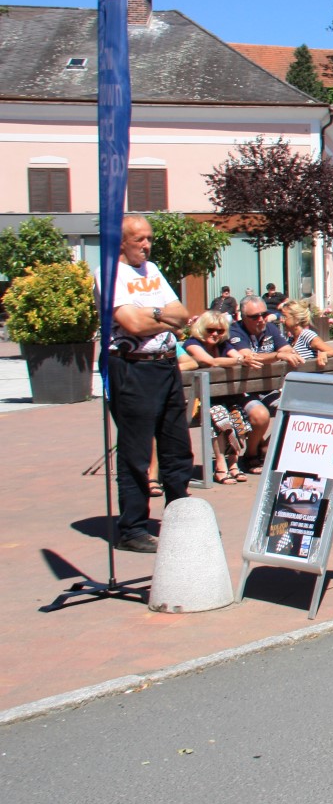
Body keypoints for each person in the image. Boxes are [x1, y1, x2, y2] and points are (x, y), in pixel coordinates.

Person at [106, 215, 196, 553]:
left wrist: (153, 314)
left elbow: (182, 314)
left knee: (177, 447)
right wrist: (161, 316)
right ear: (122, 242)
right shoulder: (112, 274)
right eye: (139, 239)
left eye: (149, 239)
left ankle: (179, 516)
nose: (145, 245)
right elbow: (130, 323)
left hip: (165, 366)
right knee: (136, 453)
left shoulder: (152, 270)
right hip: (132, 369)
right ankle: (133, 527)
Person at [227, 294, 304, 469]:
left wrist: (285, 353)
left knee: (297, 410)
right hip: (243, 390)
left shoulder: (270, 328)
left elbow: (287, 349)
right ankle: (251, 453)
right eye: (254, 317)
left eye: (263, 314)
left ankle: (266, 447)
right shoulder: (235, 331)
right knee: (260, 416)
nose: (261, 320)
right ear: (243, 317)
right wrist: (277, 355)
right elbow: (249, 356)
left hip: (268, 389)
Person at [179, 311, 249, 484]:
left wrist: (242, 358)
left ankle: (233, 464)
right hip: (199, 402)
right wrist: (240, 361)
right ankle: (220, 466)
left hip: (226, 396)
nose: (215, 334)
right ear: (202, 328)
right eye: (211, 330)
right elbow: (211, 361)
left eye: (219, 330)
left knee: (238, 416)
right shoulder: (192, 344)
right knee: (219, 416)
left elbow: (238, 356)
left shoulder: (224, 345)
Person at [277, 300, 333, 369]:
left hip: (307, 376)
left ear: (297, 320)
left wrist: (324, 354)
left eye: (284, 317)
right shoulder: (290, 339)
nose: (282, 320)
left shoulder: (306, 335)